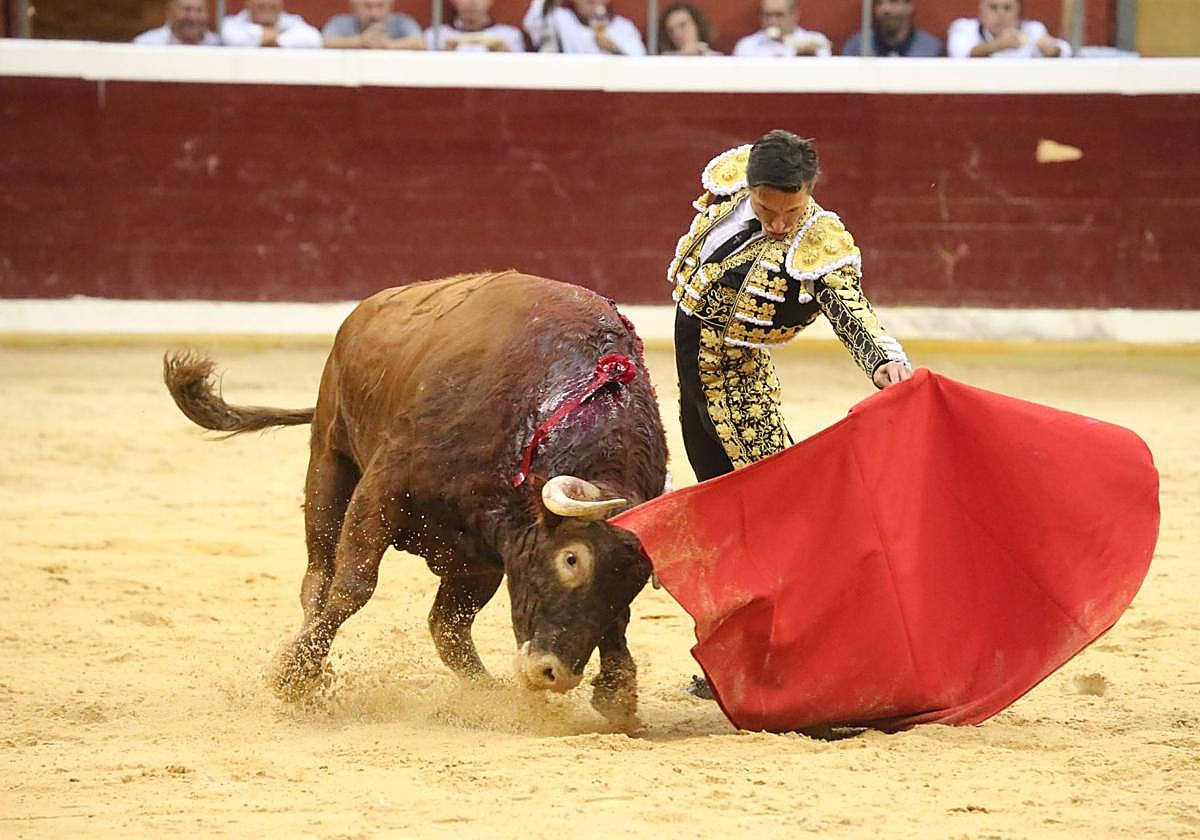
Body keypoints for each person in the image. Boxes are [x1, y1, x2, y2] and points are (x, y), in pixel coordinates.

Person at [668, 130, 911, 484]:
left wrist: (882, 360)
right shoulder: (731, 186)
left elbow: (848, 304)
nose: (779, 224)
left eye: (792, 210)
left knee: (773, 488)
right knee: (710, 481)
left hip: (737, 380)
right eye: (766, 209)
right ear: (749, 186)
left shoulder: (815, 241)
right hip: (692, 377)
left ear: (809, 190)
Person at [947, 0, 1071, 58]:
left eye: (1007, 8)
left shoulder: (1032, 30)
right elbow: (960, 54)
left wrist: (1053, 50)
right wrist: (999, 45)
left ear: (1018, 11)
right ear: (981, 9)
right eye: (993, 7)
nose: (1000, 14)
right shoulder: (964, 28)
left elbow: (1066, 51)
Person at [523, 0, 646, 55]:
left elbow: (638, 62)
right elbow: (533, 23)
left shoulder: (623, 27)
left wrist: (613, 49)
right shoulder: (560, 18)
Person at [841, 0, 942, 57]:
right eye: (879, 3)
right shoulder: (855, 48)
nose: (885, 9)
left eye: (893, 2)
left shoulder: (930, 49)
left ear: (910, 6)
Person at [733, 0, 831, 58]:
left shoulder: (815, 42)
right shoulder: (746, 46)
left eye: (779, 15)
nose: (773, 22)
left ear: (794, 15)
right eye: (767, 15)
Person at [428, 0, 525, 52]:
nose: (472, 2)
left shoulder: (509, 36)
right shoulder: (436, 36)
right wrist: (442, 55)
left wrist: (505, 54)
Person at [322, 0, 424, 50]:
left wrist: (388, 45)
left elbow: (421, 43)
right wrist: (361, 41)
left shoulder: (402, 21)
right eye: (367, 6)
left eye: (380, 6)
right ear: (354, 7)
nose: (374, 14)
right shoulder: (341, 22)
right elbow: (325, 42)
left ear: (390, 6)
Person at [221, 0, 322, 48]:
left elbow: (315, 39)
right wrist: (276, 34)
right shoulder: (231, 24)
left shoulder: (292, 22)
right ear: (247, 2)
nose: (267, 3)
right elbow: (232, 38)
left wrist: (278, 40)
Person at [133, 0, 220, 46]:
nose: (193, 17)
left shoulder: (218, 46)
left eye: (199, 10)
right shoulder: (147, 44)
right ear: (170, 12)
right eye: (187, 10)